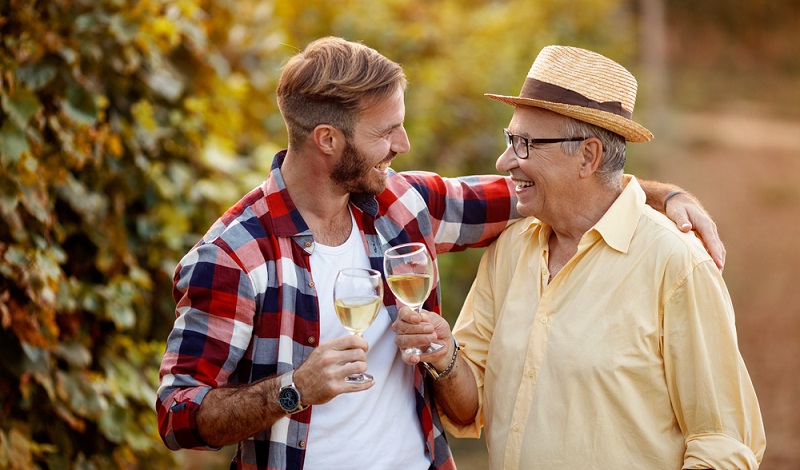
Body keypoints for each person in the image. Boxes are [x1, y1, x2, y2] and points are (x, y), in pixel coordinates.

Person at [156, 37, 725, 470]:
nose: (402, 146)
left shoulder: (404, 203)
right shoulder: (234, 257)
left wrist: (666, 195)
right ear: (328, 140)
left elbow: (560, 187)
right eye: (387, 133)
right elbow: (178, 414)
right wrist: (292, 390)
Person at [394, 45, 766, 469]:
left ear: (588, 156)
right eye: (509, 139)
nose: (505, 161)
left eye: (524, 144)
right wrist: (444, 357)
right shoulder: (510, 250)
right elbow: (468, 408)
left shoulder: (676, 264)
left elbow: (722, 446)